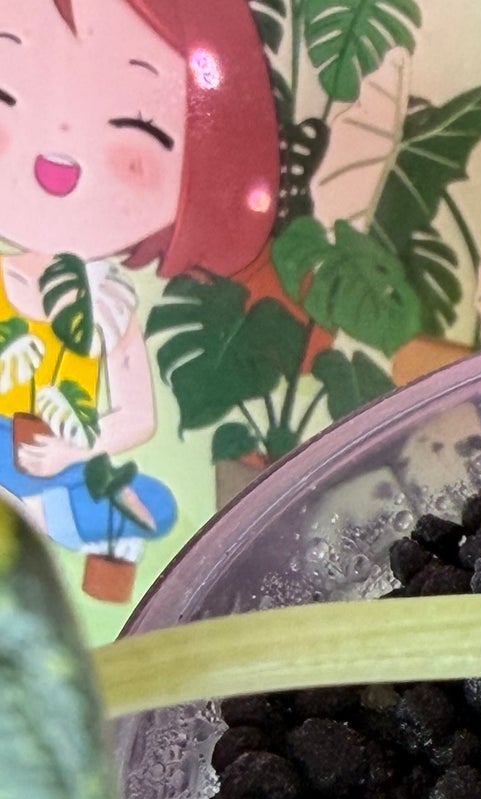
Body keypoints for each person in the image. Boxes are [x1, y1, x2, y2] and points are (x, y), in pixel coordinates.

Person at [0, 0, 277, 584]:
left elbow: (135, 417)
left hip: (66, 460)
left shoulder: (109, 306)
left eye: (136, 126)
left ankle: (58, 525)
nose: (61, 152)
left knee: (153, 505)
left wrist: (73, 453)